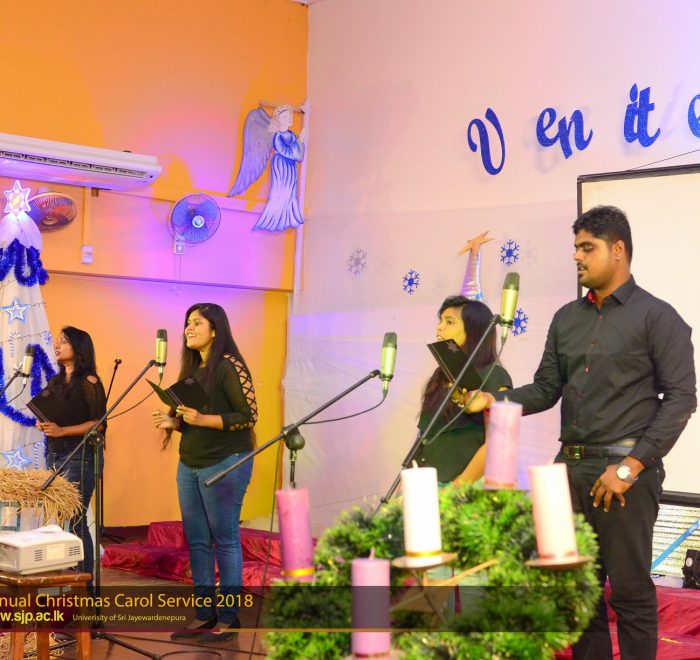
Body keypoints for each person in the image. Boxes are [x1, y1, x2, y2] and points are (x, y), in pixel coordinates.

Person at [469, 206, 696, 659]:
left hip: (624, 475)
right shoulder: (566, 319)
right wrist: (496, 400)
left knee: (630, 594)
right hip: (567, 472)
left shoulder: (657, 317)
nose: (577, 256)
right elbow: (547, 388)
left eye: (587, 247)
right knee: (576, 594)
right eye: (575, 247)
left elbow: (681, 399)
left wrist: (629, 468)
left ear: (618, 250)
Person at [153, 303, 257, 643]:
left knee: (225, 539)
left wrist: (201, 419)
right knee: (197, 540)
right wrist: (175, 423)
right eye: (187, 322)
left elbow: (248, 417)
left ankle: (228, 618)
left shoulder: (230, 365)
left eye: (197, 322)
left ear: (215, 329)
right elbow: (195, 422)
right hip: (190, 464)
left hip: (226, 462)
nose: (189, 328)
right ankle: (204, 613)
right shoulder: (193, 371)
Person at [415, 295, 511, 485]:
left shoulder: (494, 375)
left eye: (449, 322)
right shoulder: (439, 377)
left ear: (474, 330)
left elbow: (496, 443)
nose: (439, 327)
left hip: (463, 490)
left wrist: (457, 487)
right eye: (440, 321)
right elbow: (424, 437)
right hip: (424, 485)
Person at [38, 326, 106, 586]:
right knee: (59, 521)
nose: (57, 345)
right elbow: (51, 414)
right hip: (54, 454)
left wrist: (62, 430)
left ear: (78, 347)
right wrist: (44, 423)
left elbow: (98, 424)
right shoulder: (55, 382)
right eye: (56, 341)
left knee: (76, 521)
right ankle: (64, 580)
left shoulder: (90, 381)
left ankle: (84, 584)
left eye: (63, 341)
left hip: (80, 456)